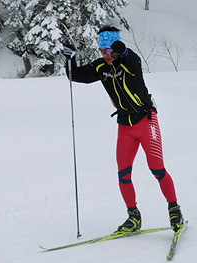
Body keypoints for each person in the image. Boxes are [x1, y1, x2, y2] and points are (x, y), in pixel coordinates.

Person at [63, 26, 184, 233]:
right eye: (103, 51)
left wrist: (124, 52)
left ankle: (174, 209)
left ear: (118, 49)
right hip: (125, 126)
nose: (107, 56)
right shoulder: (101, 67)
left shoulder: (129, 63)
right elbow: (76, 76)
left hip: (146, 121)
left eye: (111, 51)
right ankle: (133, 217)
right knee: (123, 174)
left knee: (156, 168)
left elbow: (134, 62)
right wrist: (70, 60)